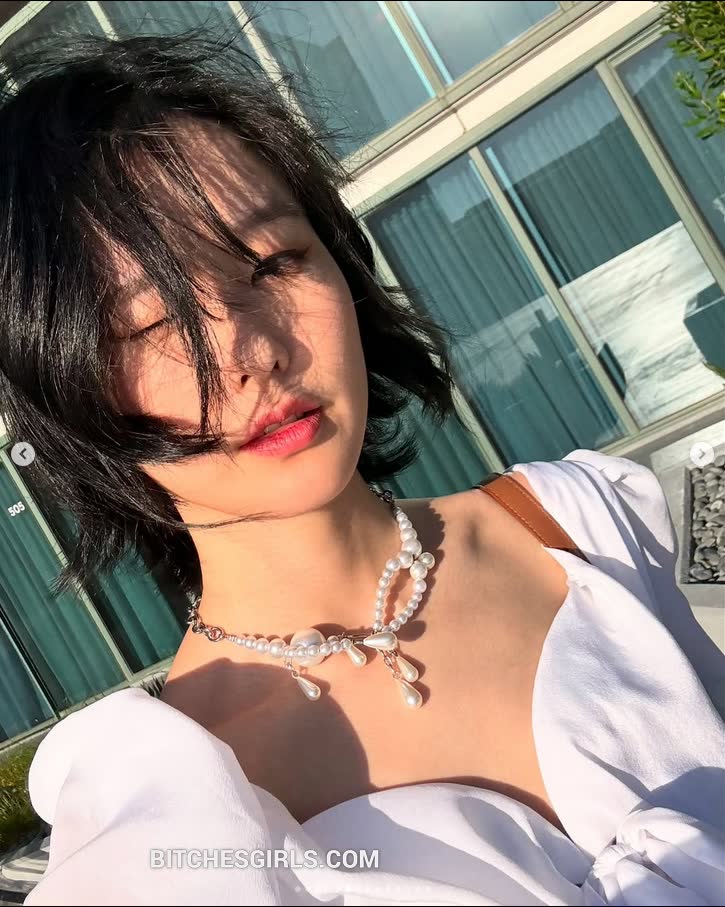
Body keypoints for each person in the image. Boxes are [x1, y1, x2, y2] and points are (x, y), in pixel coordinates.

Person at [0, 30, 722, 907]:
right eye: (149, 324)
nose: (252, 352)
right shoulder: (170, 831)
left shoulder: (597, 521)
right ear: (65, 392)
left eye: (272, 263)